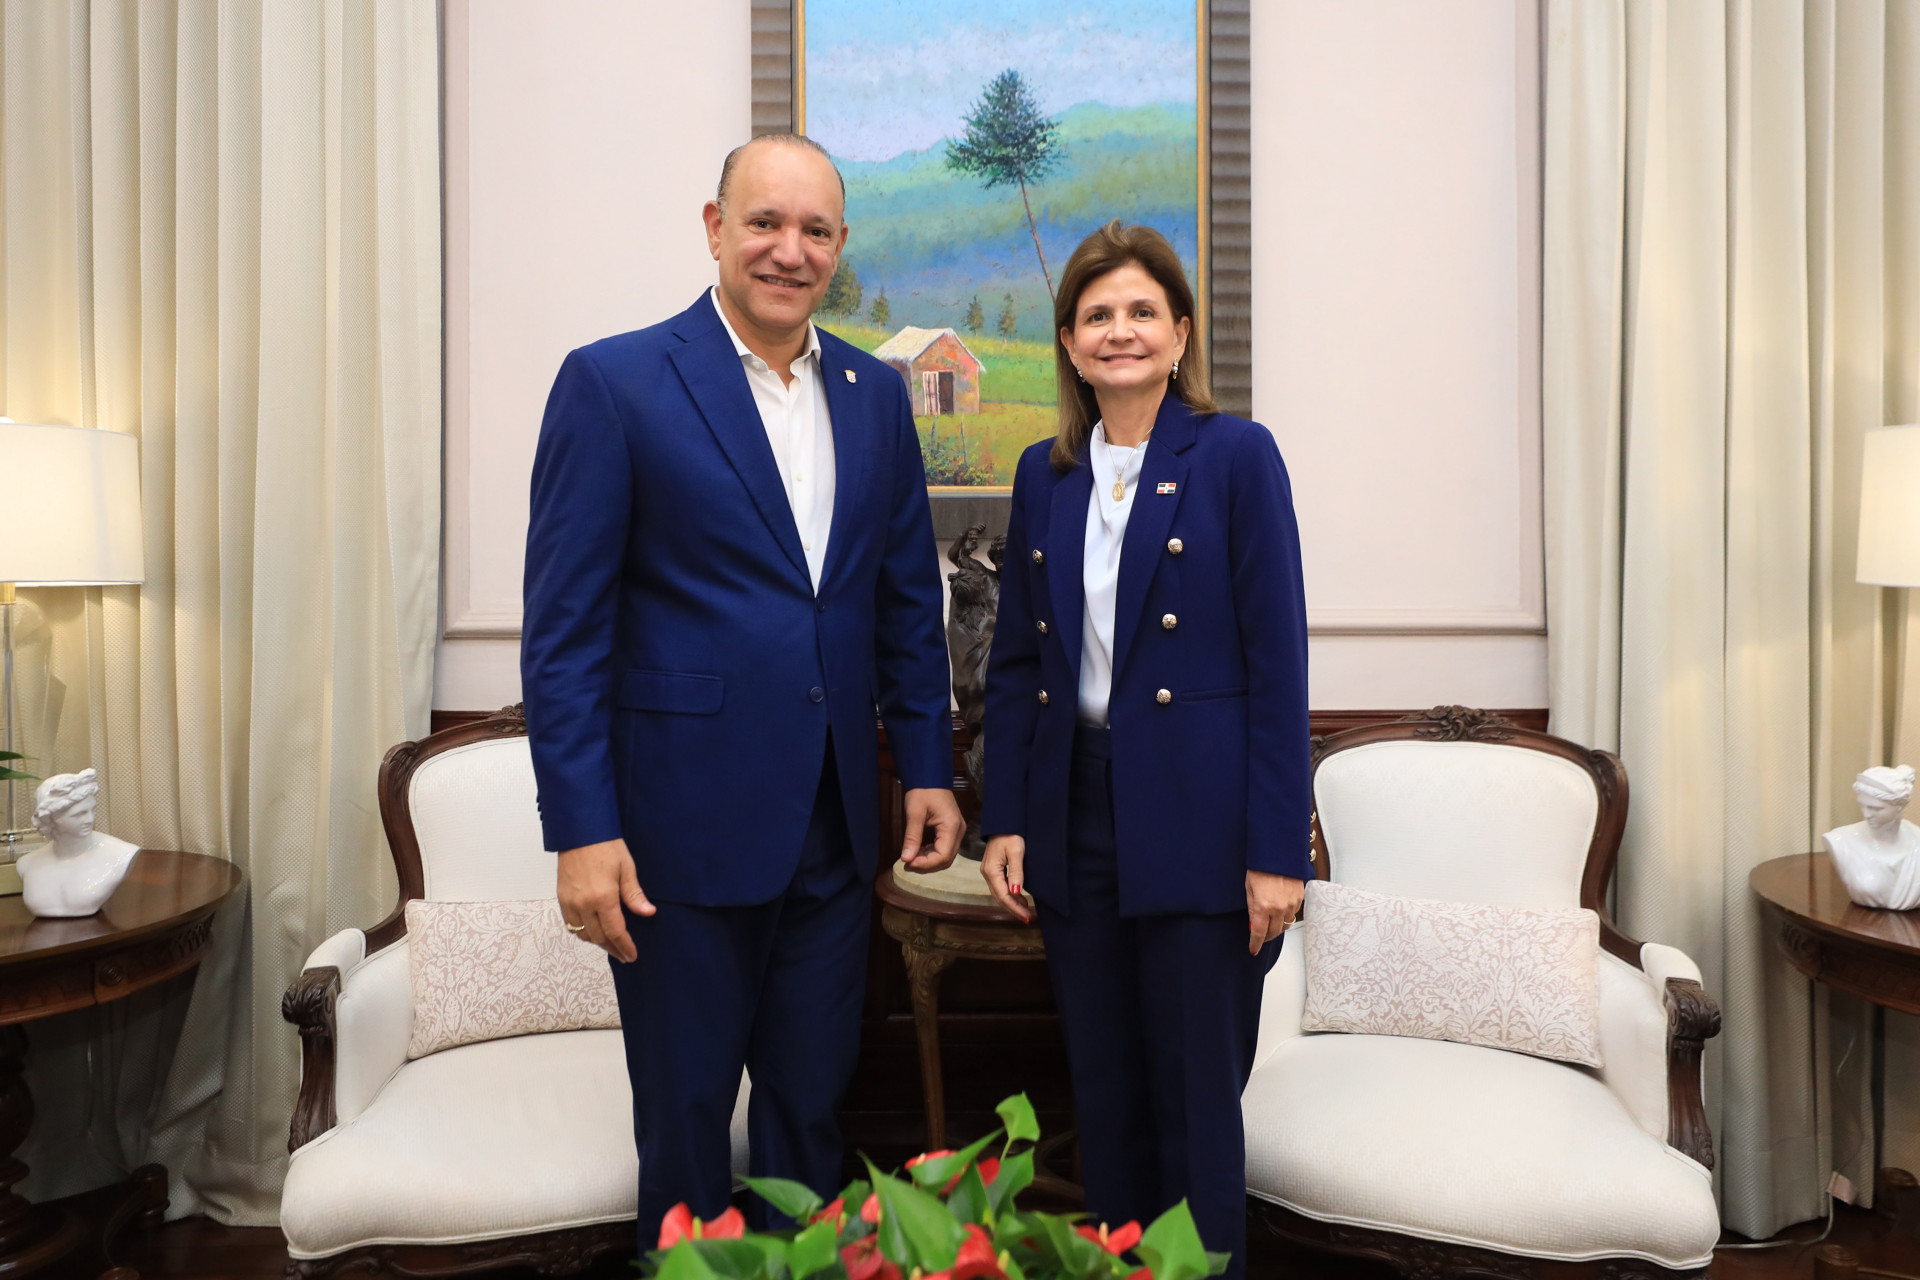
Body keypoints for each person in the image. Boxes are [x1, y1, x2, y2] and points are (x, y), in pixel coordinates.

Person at [520, 133, 965, 1243]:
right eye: (765, 222)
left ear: (841, 247)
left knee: (810, 1121)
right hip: (675, 837)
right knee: (684, 1134)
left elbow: (905, 600)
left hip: (833, 831)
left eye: (815, 230)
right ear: (716, 229)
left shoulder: (875, 394)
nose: (788, 250)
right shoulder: (614, 382)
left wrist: (926, 767)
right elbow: (564, 636)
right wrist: (581, 831)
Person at [978, 221, 1312, 1279]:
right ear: (1069, 345)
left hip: (1200, 819)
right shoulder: (1045, 474)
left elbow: (1278, 667)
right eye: (1096, 315)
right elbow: (1019, 663)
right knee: (1107, 1093)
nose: (1118, 331)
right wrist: (1007, 817)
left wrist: (1276, 852)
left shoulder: (1237, 457)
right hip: (1074, 812)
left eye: (1140, 311)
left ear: (1179, 334)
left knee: (1197, 1104)